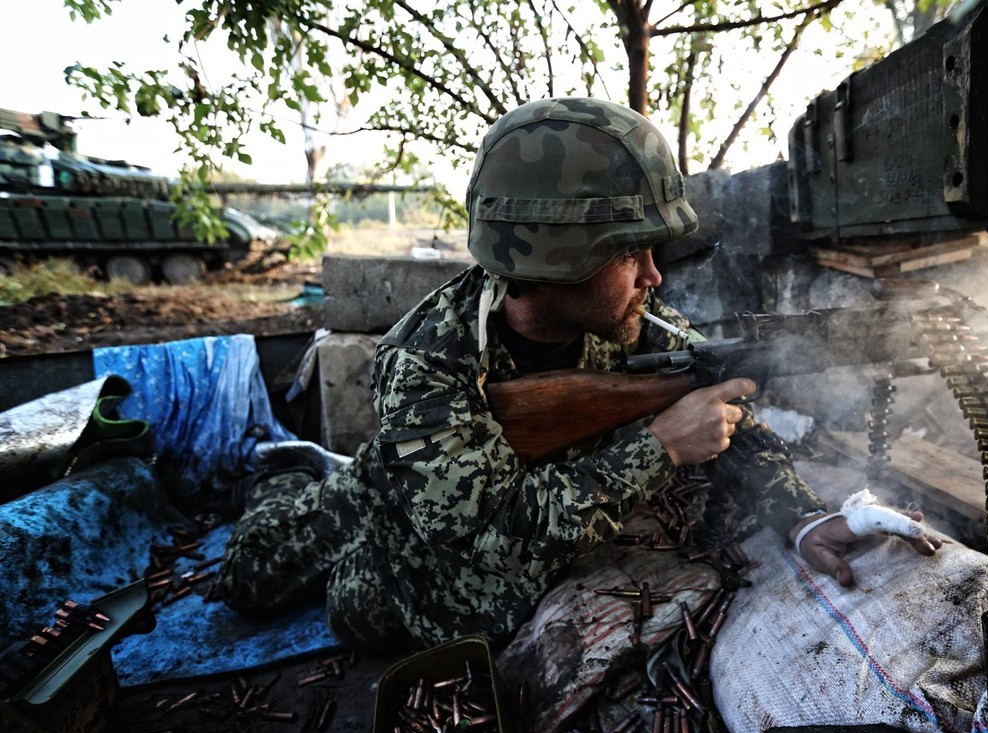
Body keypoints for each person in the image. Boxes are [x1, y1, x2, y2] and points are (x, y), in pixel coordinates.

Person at [217, 97, 941, 652]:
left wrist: (807, 515)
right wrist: (656, 448)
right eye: (631, 255)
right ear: (555, 259)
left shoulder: (642, 328)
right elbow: (490, 536)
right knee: (253, 578)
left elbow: (733, 425)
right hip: (396, 503)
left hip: (466, 491)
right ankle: (280, 470)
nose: (655, 277)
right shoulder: (426, 362)